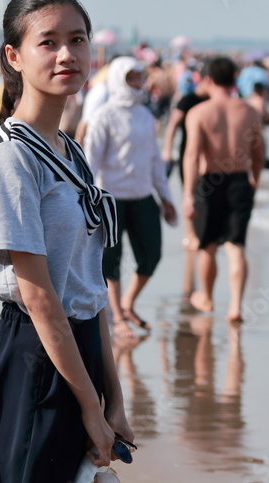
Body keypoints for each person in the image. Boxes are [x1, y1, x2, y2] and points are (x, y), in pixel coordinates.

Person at [0, 0, 133, 480]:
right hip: (37, 359)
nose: (68, 54)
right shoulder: (16, 155)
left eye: (78, 39)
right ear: (13, 56)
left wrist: (113, 398)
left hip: (79, 352)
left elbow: (90, 289)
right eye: (49, 42)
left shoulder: (70, 150)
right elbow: (40, 299)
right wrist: (88, 405)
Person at [85, 56, 177, 339]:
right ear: (117, 80)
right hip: (110, 199)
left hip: (142, 196)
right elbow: (91, 162)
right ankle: (117, 317)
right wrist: (88, 200)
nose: (137, 83)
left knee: (152, 255)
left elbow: (154, 162)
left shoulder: (146, 117)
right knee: (111, 261)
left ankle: (126, 305)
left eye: (139, 77)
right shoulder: (103, 116)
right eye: (131, 78)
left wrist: (166, 198)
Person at [183, 56, 264, 323]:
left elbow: (192, 155)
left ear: (208, 80)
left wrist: (188, 194)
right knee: (236, 246)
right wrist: (255, 179)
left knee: (207, 246)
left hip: (210, 183)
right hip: (240, 180)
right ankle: (235, 307)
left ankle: (206, 296)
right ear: (235, 80)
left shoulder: (199, 113)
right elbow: (259, 152)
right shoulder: (250, 111)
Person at [162, 71, 209, 301]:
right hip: (188, 155)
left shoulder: (212, 100)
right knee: (189, 192)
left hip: (207, 156)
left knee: (203, 194)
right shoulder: (188, 99)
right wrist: (167, 149)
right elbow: (173, 124)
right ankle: (189, 234)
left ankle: (198, 231)